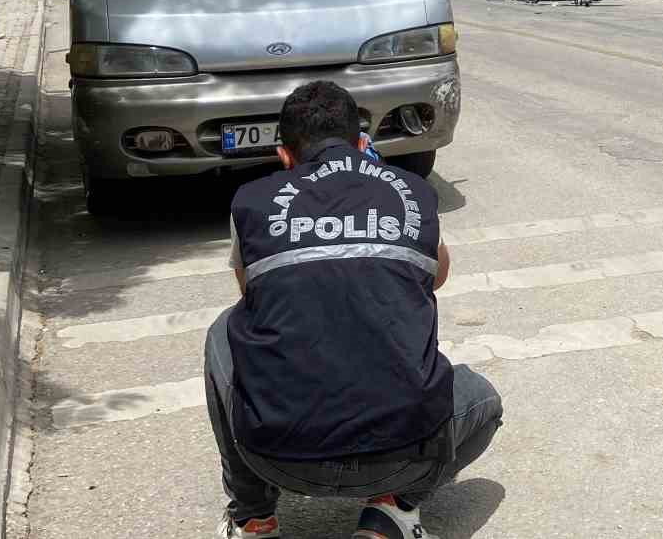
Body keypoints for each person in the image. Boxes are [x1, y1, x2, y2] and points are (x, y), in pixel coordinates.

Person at [205, 80, 502, 539]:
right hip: (405, 455)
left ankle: (253, 515)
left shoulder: (252, 201)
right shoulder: (413, 193)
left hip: (278, 457)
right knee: (483, 400)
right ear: (363, 143)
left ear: (284, 155)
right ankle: (393, 509)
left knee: (224, 330)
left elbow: (252, 296)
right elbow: (438, 275)